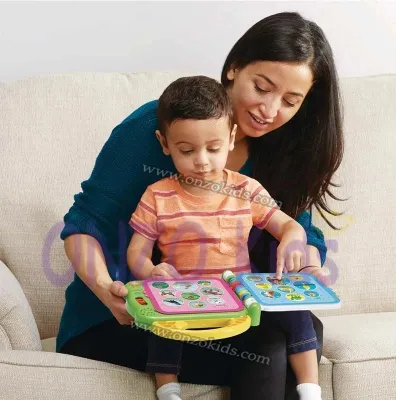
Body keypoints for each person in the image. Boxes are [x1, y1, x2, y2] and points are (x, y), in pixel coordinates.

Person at [57, 11, 343, 400]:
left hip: (221, 308)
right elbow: (85, 223)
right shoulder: (159, 126)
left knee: (300, 329)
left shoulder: (283, 150)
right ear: (234, 68)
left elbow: (299, 230)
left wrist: (305, 267)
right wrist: (106, 289)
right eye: (261, 87)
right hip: (125, 315)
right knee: (269, 347)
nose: (269, 110)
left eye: (290, 101)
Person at [127, 75, 323, 400]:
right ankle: (168, 388)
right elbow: (137, 253)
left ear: (231, 138)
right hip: (187, 299)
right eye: (187, 150)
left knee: (297, 312)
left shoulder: (246, 189)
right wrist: (150, 271)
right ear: (165, 143)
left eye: (213, 148)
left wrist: (293, 237)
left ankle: (311, 389)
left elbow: (288, 225)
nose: (202, 161)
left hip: (240, 300)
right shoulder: (157, 196)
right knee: (159, 316)